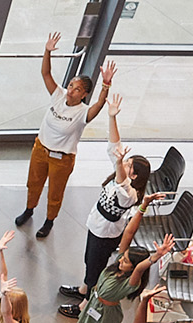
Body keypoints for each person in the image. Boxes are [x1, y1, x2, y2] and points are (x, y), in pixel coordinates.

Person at [56, 94, 151, 308]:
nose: (123, 164)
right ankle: (83, 290)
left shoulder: (131, 194)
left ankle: (85, 305)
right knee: (89, 260)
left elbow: (122, 184)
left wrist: (119, 164)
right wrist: (112, 117)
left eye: (128, 165)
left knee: (96, 267)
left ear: (134, 176)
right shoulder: (121, 174)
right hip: (97, 225)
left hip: (106, 233)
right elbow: (114, 145)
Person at [15, 34, 114, 238]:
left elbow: (99, 105)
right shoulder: (58, 95)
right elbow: (46, 74)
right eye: (70, 86)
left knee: (55, 192)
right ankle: (29, 209)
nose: (71, 91)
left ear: (84, 94)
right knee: (33, 183)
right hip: (41, 149)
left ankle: (49, 220)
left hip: (62, 158)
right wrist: (48, 51)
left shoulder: (82, 113)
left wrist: (106, 85)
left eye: (77, 90)